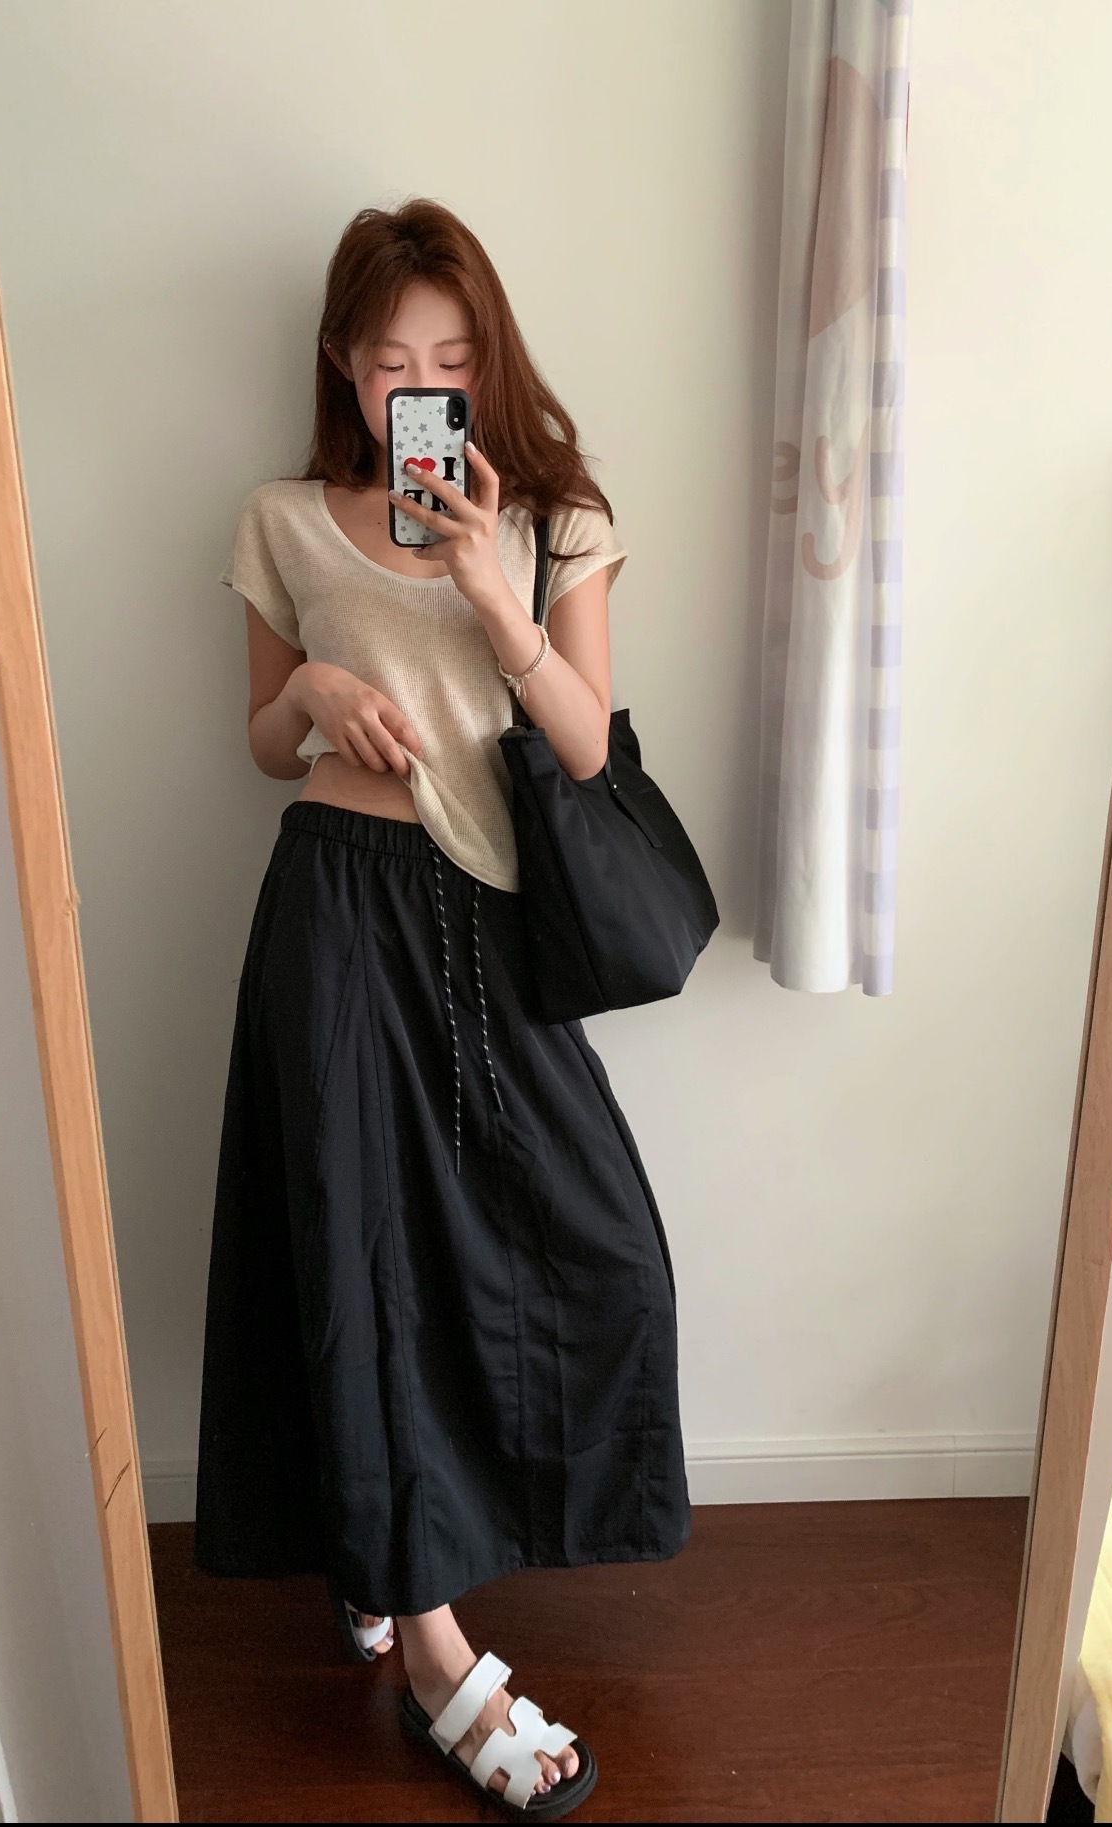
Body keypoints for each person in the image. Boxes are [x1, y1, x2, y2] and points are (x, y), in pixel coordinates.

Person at [194, 198, 689, 1818]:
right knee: (367, 1275)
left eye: (456, 358)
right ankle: (435, 1655)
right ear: (346, 366)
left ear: (491, 359)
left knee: (601, 1250)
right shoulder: (282, 522)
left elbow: (589, 747)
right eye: (395, 360)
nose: (428, 386)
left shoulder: (555, 516)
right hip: (338, 911)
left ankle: (385, 1546)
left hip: (494, 926)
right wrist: (313, 691)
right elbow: (259, 743)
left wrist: (493, 591)